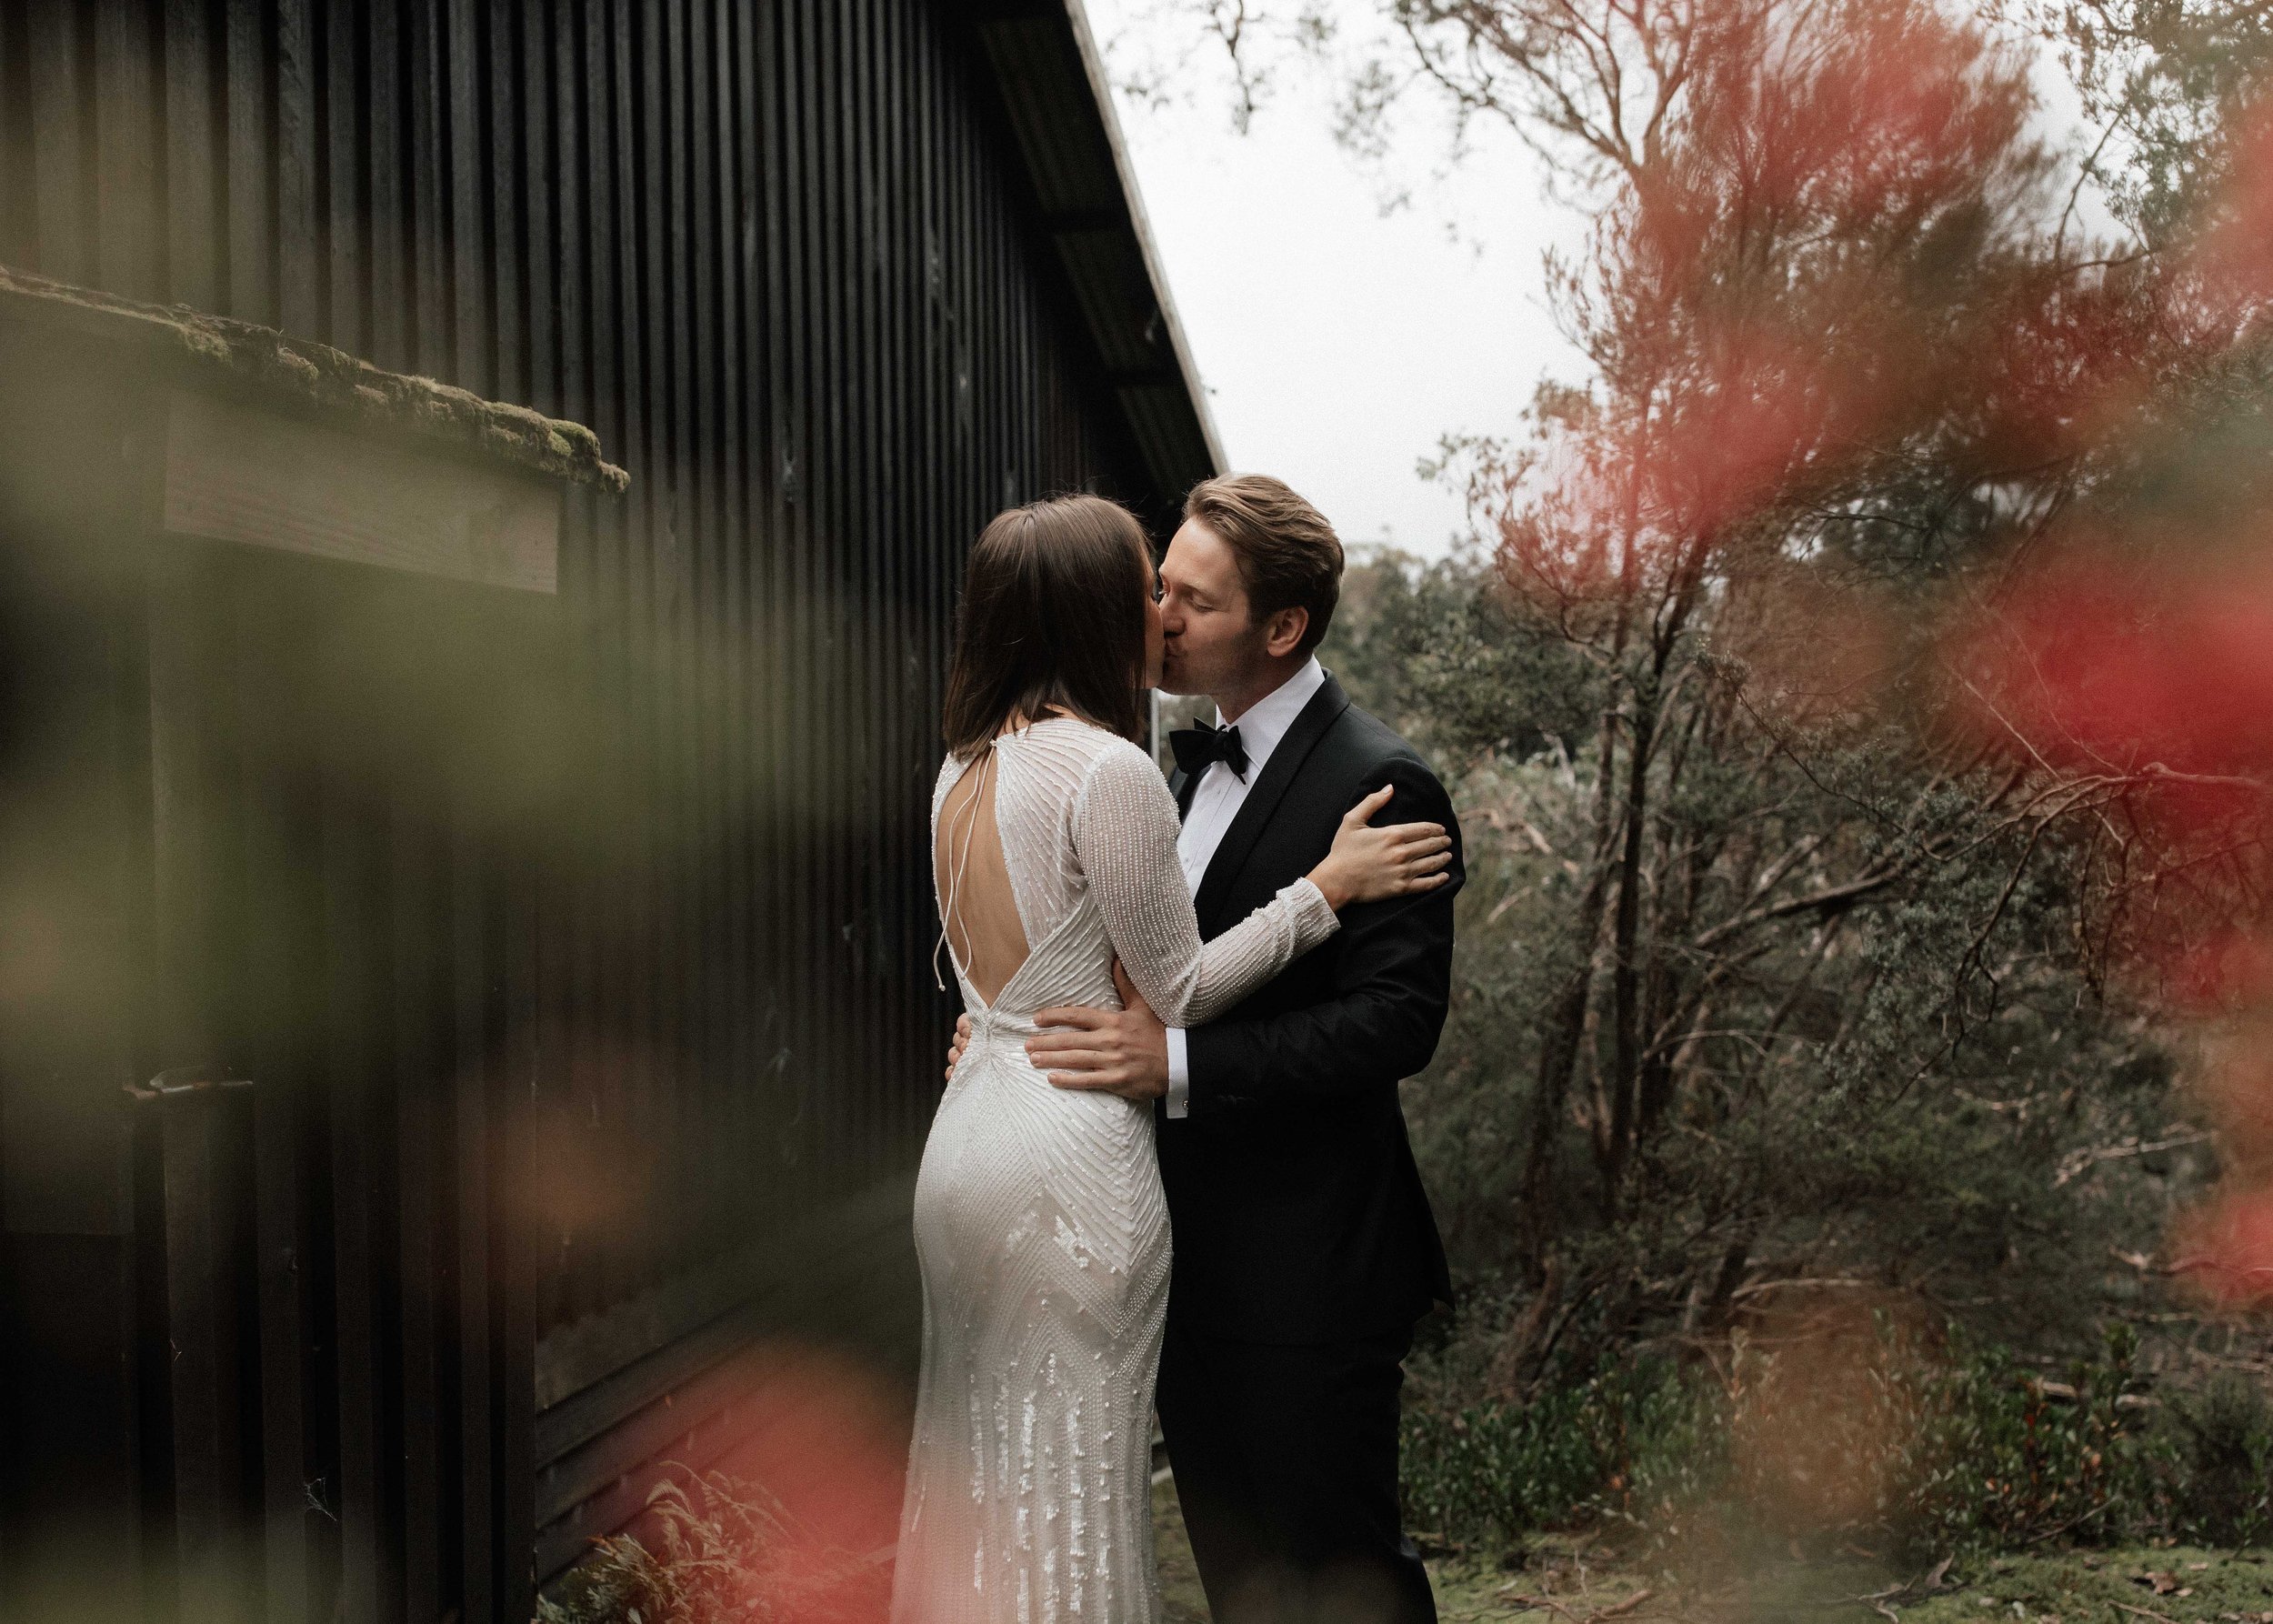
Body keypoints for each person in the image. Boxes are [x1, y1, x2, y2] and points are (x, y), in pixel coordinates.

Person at [892, 493, 1453, 1624]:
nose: (1161, 617)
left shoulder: (1380, 784)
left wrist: (1174, 1062)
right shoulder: (1152, 766)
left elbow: (1396, 1023)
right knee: (1233, 1578)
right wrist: (1007, 1027)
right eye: (1155, 589)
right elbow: (1119, 964)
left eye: (1189, 598)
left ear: (1280, 628)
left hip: (1302, 1262)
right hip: (1143, 1223)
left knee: (1341, 1570)